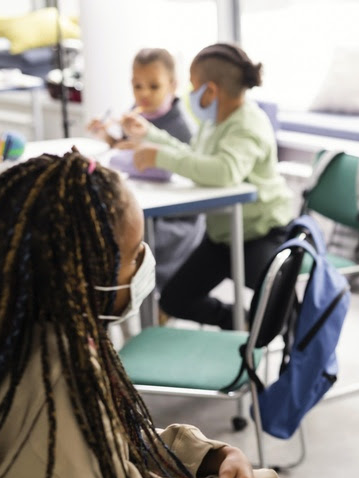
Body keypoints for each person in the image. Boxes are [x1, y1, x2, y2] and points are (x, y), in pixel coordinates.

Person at [0, 152, 302, 478]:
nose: (144, 263)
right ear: (84, 276)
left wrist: (213, 457)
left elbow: (113, 442)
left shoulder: (15, 336)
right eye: (136, 253)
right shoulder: (59, 379)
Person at [121, 42, 292, 330]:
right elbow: (194, 157)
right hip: (222, 236)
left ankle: (272, 328)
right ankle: (238, 322)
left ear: (210, 90)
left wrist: (160, 157)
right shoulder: (215, 122)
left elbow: (224, 171)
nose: (189, 92)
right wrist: (150, 134)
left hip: (260, 233)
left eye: (193, 85)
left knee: (277, 308)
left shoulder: (248, 124)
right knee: (174, 300)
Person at [88, 47, 205, 292]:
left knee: (127, 239)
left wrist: (140, 152)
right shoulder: (134, 115)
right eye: (137, 86)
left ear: (173, 85)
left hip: (175, 219)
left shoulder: (181, 126)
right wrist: (106, 137)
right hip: (142, 204)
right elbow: (122, 151)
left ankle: (141, 296)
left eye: (153, 86)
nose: (144, 94)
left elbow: (181, 167)